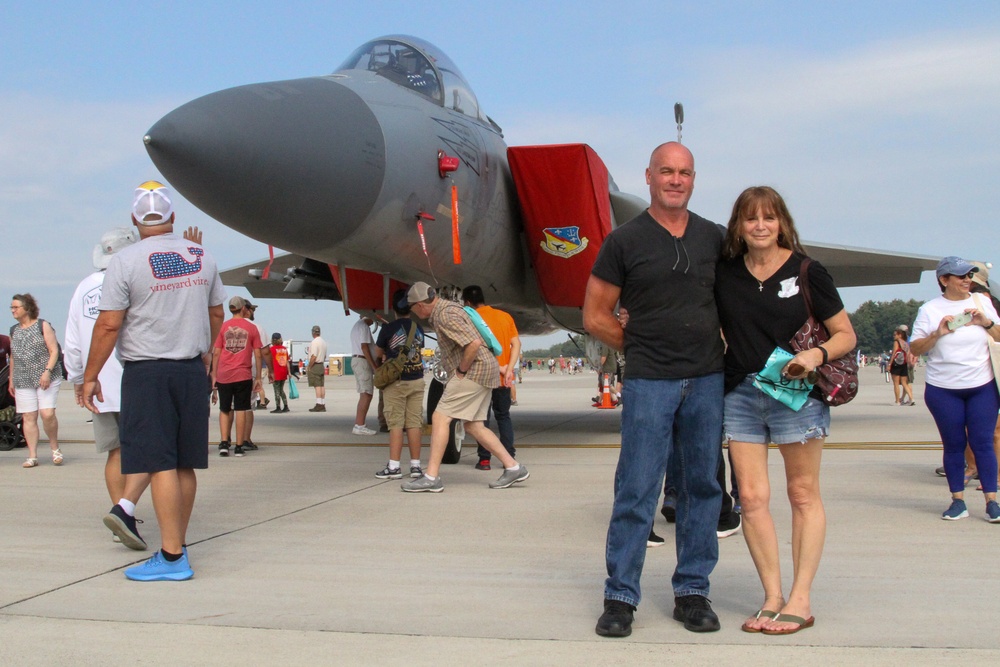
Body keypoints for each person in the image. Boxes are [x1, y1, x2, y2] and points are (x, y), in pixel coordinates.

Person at [583, 142, 725, 638]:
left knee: (702, 488)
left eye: (684, 172)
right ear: (648, 176)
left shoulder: (715, 238)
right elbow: (595, 314)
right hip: (649, 383)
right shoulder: (624, 241)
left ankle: (692, 592)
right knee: (637, 488)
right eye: (666, 171)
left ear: (693, 179)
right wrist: (639, 346)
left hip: (707, 381)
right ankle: (620, 596)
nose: (675, 180)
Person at [714, 186, 856, 635]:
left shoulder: (807, 270)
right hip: (741, 394)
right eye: (751, 218)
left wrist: (815, 356)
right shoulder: (725, 274)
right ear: (738, 224)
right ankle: (772, 595)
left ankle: (800, 599)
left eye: (769, 218)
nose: (760, 226)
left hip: (796, 395)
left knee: (801, 494)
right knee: (751, 499)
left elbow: (846, 335)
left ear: (781, 223)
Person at [83, 180, 225, 581]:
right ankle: (176, 543)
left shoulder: (126, 262)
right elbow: (217, 313)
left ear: (134, 218)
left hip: (148, 371)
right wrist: (207, 352)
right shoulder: (202, 256)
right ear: (172, 217)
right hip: (191, 369)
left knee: (158, 461)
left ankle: (172, 557)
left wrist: (90, 376)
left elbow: (110, 324)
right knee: (184, 463)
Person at [64, 227, 151, 549]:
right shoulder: (134, 280)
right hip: (136, 376)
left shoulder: (83, 288)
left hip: (97, 381)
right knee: (150, 449)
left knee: (115, 451)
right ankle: (124, 510)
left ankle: (121, 517)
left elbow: (72, 343)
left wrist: (79, 379)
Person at [400, 282, 529, 492]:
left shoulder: (444, 315)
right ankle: (513, 467)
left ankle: (431, 477)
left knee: (440, 417)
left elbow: (473, 344)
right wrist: (499, 365)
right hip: (485, 369)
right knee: (474, 426)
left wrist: (460, 371)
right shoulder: (451, 309)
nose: (413, 312)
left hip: (473, 371)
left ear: (421, 305)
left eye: (412, 307)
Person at [910, 256, 1000, 523]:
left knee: (983, 442)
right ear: (943, 280)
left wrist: (985, 322)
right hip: (943, 389)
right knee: (954, 445)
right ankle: (957, 501)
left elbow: (998, 335)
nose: (966, 280)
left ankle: (992, 502)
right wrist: (938, 333)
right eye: (960, 276)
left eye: (969, 275)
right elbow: (915, 348)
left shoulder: (981, 302)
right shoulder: (929, 309)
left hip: (982, 386)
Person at [462, 285, 521, 471]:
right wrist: (509, 369)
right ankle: (508, 458)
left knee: (481, 420)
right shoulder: (505, 316)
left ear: (468, 302)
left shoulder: (471, 319)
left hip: (482, 377)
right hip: (503, 379)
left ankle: (485, 459)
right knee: (504, 416)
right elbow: (516, 344)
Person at [373, 288, 425, 479]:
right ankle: (416, 466)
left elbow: (378, 354)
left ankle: (394, 467)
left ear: (393, 308)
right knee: (414, 424)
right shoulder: (417, 328)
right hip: (417, 380)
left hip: (396, 382)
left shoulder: (388, 329)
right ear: (410, 308)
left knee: (395, 424)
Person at [9, 293, 64, 468]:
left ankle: (55, 448)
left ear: (27, 308)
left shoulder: (42, 325)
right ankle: (32, 455)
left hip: (46, 377)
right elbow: (14, 357)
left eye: (16, 307)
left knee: (47, 413)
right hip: (23, 378)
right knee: (28, 416)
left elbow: (54, 350)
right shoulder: (14, 330)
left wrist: (47, 372)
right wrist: (11, 379)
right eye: (12, 307)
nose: (13, 310)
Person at [210, 296, 263, 457]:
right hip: (243, 374)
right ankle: (239, 445)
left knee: (225, 409)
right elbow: (258, 353)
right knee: (241, 409)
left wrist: (214, 374)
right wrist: (259, 377)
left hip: (224, 374)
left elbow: (217, 352)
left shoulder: (222, 327)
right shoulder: (252, 328)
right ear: (243, 309)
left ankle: (224, 443)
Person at [240, 299, 269, 450]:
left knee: (229, 407)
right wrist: (270, 370)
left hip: (230, 371)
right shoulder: (256, 327)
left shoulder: (227, 326)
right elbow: (263, 351)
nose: (253, 313)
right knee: (248, 406)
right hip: (249, 370)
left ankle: (226, 440)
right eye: (252, 310)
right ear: (246, 309)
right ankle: (245, 440)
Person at [350, 314, 378, 435]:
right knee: (366, 394)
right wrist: (374, 366)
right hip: (362, 360)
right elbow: (364, 347)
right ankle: (359, 425)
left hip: (358, 360)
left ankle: (359, 424)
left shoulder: (357, 326)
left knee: (365, 393)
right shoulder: (364, 327)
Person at [890, 327, 916, 406]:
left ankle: (897, 401)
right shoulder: (905, 343)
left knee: (896, 383)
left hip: (896, 364)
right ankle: (911, 398)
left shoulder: (896, 342)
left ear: (900, 335)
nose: (893, 336)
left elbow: (894, 353)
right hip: (904, 364)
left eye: (895, 334)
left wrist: (889, 364)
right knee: (905, 383)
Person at [307, 325, 328, 411]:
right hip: (321, 364)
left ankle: (318, 404)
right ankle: (323, 403)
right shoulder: (323, 342)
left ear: (313, 333)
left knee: (317, 385)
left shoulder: (314, 342)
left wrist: (309, 366)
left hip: (315, 365)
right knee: (322, 385)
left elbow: (314, 356)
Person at [268, 333, 291, 412]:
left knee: (276, 390)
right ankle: (286, 406)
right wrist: (289, 372)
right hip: (283, 371)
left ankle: (278, 407)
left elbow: (270, 362)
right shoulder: (284, 349)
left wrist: (269, 373)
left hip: (276, 372)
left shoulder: (271, 349)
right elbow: (287, 361)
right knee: (281, 390)